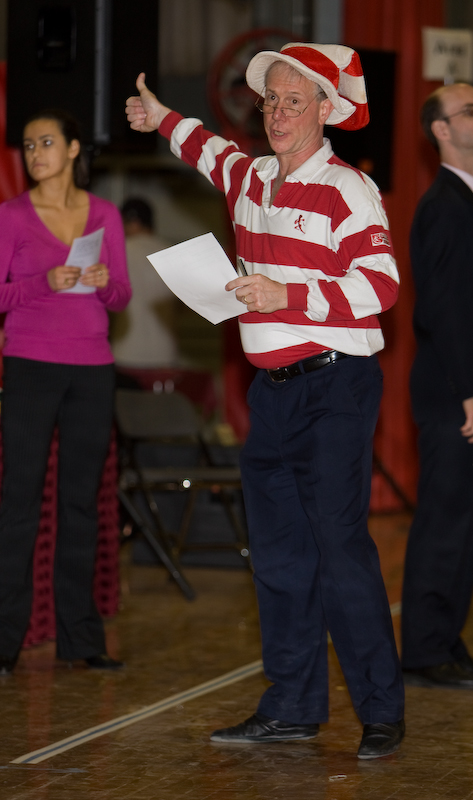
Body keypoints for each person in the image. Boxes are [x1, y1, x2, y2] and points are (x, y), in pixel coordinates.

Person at [126, 42, 405, 760]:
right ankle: (291, 707)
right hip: (273, 395)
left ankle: (380, 710)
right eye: (270, 100)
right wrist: (160, 116)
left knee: (339, 548)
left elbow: (381, 286)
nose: (276, 113)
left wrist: (287, 293)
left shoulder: (348, 189)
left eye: (293, 100)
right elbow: (206, 147)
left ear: (326, 109)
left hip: (336, 386)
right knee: (278, 556)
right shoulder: (249, 176)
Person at [0, 109, 131, 675]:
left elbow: (123, 294)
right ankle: (4, 640)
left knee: (81, 504)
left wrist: (104, 284)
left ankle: (81, 638)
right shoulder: (10, 215)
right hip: (30, 365)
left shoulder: (104, 214)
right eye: (29, 146)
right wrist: (41, 282)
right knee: (20, 503)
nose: (35, 154)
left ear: (74, 148)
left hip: (92, 368)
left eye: (47, 142)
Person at [401, 83, 473, 689]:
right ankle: (424, 649)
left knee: (472, 521)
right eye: (471, 110)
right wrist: (472, 391)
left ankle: (446, 638)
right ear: (442, 130)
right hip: (456, 395)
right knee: (446, 519)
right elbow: (443, 310)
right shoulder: (444, 206)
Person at [110, 197, 185, 369]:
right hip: (164, 352)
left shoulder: (116, 252)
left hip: (125, 351)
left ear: (132, 223)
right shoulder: (172, 253)